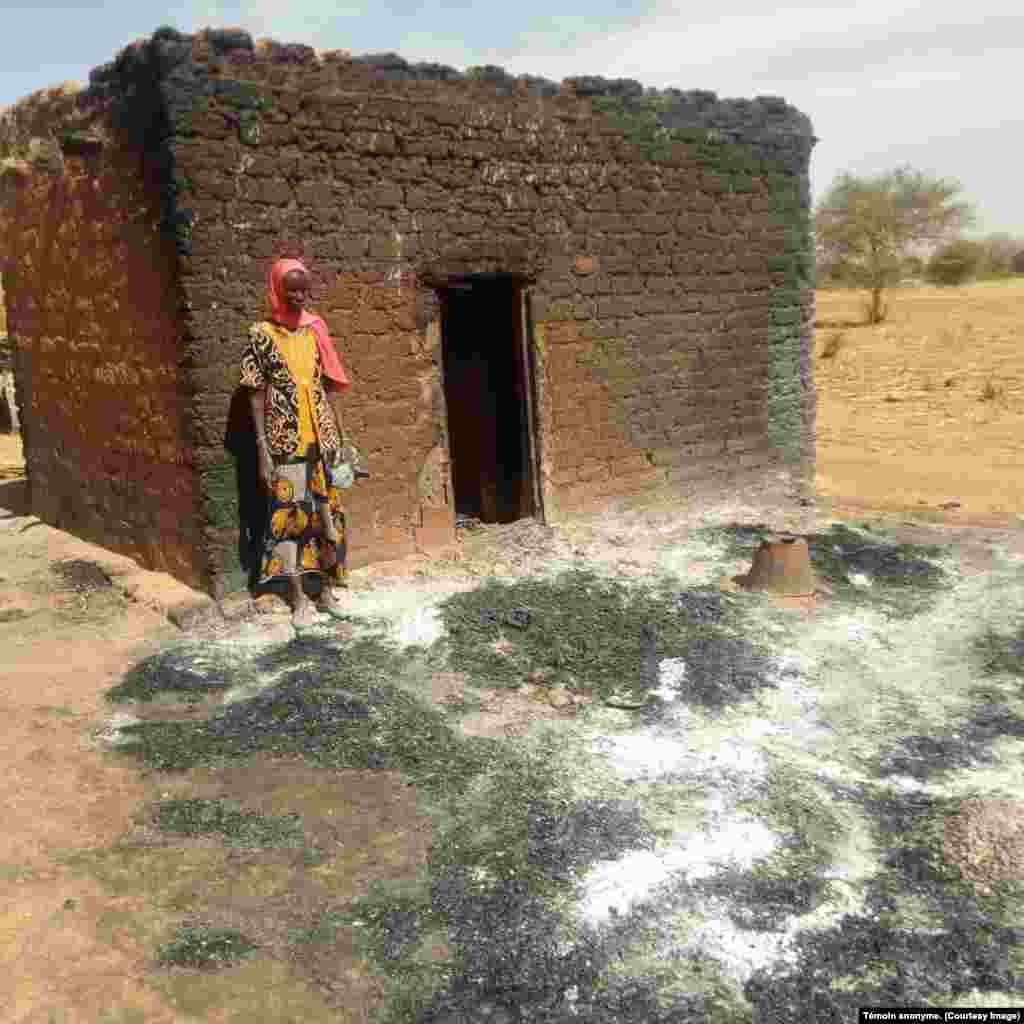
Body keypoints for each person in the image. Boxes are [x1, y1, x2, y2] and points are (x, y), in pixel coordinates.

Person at [240, 258, 354, 628]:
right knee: (290, 521)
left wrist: (341, 436)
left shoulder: (314, 330)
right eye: (292, 290)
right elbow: (255, 393)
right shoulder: (261, 334)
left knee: (325, 518)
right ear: (276, 290)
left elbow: (330, 385)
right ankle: (298, 598)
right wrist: (262, 448)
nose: (300, 297)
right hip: (284, 442)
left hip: (321, 441)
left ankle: (325, 591)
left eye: (304, 289)